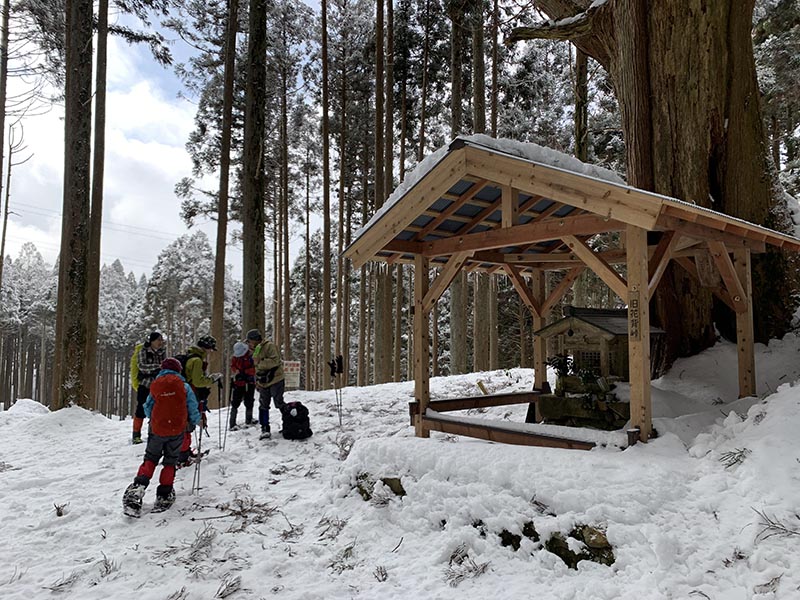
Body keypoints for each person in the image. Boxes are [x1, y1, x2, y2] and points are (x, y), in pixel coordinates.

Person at [122, 357, 201, 516]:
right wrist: (194, 421)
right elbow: (192, 407)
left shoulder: (156, 385)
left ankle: (137, 490)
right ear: (179, 370)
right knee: (170, 462)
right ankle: (164, 494)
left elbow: (147, 406)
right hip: (177, 431)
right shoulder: (184, 386)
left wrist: (155, 420)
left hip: (157, 430)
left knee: (150, 459)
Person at [178, 335, 222, 466]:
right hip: (192, 393)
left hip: (185, 392)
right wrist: (211, 380)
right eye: (210, 349)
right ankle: (183, 456)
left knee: (187, 423)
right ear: (206, 348)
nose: (210, 352)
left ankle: (185, 452)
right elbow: (197, 381)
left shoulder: (190, 356)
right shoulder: (196, 360)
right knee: (189, 423)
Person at [131, 332, 166, 445]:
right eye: (158, 340)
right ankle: (136, 434)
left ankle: (153, 432)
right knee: (141, 409)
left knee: (158, 410)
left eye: (161, 340)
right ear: (152, 341)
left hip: (158, 385)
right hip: (145, 384)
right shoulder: (144, 351)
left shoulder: (162, 352)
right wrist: (157, 367)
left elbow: (165, 366)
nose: (160, 342)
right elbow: (141, 366)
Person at [254, 332, 285, 440]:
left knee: (279, 402)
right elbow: (256, 365)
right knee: (263, 405)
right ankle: (265, 427)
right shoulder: (256, 348)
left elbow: (275, 361)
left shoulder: (270, 346)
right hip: (263, 381)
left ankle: (287, 423)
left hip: (276, 379)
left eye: (249, 341)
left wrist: (260, 362)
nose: (248, 344)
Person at [229, 330, 259, 429]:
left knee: (249, 400)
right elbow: (232, 366)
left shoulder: (250, 355)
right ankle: (232, 423)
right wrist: (237, 371)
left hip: (248, 381)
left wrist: (244, 372)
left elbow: (253, 369)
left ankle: (248, 419)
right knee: (236, 402)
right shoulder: (237, 357)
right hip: (239, 382)